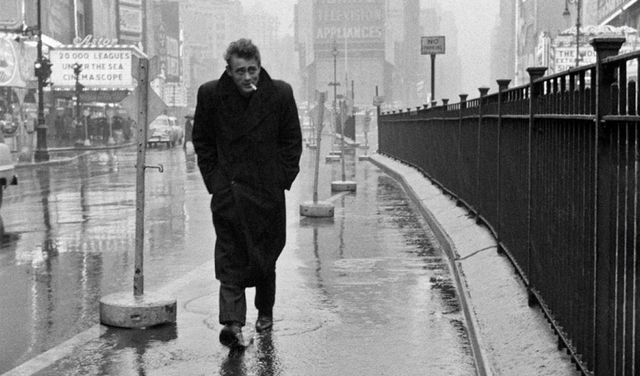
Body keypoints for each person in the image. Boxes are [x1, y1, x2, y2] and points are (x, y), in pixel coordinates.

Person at [192, 39, 302, 348]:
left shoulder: (280, 94)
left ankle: (264, 312)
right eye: (239, 71)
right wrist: (215, 181)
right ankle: (233, 324)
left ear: (260, 65)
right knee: (230, 257)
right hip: (230, 192)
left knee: (266, 255)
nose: (247, 77)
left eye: (252, 69)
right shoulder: (211, 94)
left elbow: (291, 140)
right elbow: (202, 140)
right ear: (228, 70)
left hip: (267, 193)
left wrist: (281, 177)